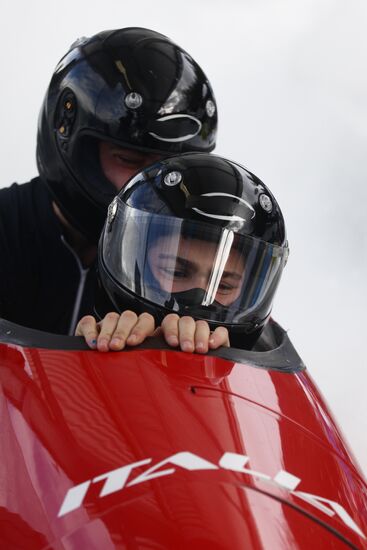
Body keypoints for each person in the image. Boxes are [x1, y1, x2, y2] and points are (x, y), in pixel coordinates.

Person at [0, 28, 217, 335]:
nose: (148, 184)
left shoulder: (181, 261)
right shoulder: (7, 227)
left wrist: (179, 346)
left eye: (167, 170)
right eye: (128, 160)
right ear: (76, 147)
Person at [76, 153, 289, 353]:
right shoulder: (74, 315)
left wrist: (228, 368)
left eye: (223, 286)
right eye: (176, 272)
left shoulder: (267, 373)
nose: (199, 297)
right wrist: (86, 354)